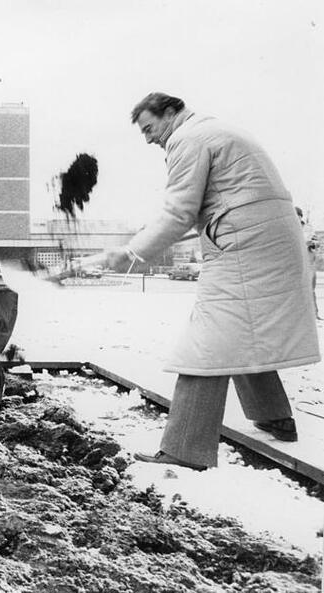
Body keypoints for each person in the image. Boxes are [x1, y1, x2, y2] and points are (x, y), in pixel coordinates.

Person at [79, 92, 320, 470]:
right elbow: (215, 206)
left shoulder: (187, 139)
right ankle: (274, 417)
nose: (148, 139)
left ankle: (184, 450)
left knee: (205, 342)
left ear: (170, 112)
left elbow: (178, 213)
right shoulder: (215, 131)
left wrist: (130, 251)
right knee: (240, 332)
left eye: (149, 128)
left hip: (244, 247)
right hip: (268, 240)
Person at [296, 207, 321, 320]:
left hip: (309, 262)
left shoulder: (308, 228)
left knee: (311, 288)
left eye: (297, 215)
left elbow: (317, 243)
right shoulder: (291, 228)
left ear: (301, 216)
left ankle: (315, 314)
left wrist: (313, 243)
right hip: (296, 263)